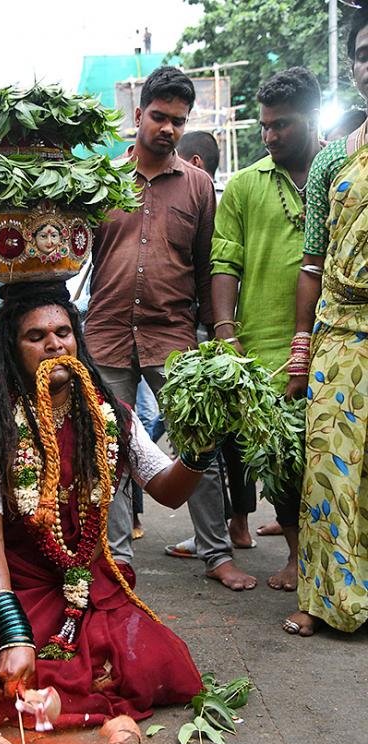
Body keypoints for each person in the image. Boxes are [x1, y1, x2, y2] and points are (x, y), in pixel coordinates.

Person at [0, 284, 212, 727]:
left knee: (163, 671)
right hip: (14, 586)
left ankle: (50, 698)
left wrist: (200, 448)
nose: (53, 344)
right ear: (13, 348)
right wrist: (12, 634)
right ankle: (55, 687)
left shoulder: (110, 415)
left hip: (89, 587)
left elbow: (168, 492)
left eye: (63, 332)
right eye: (35, 336)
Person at [86, 65, 255, 591]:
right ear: (138, 115)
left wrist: (217, 340)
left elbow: (208, 269)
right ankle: (114, 561)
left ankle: (216, 554)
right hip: (107, 335)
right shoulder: (102, 182)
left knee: (197, 446)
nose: (168, 129)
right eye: (159, 117)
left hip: (175, 338)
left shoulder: (200, 187)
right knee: (106, 450)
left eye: (179, 121)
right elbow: (80, 259)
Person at [211, 67, 322, 592]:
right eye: (264, 126)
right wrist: (227, 335)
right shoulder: (245, 185)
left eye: (282, 125)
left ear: (313, 117)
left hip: (338, 341)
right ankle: (299, 555)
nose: (270, 136)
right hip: (265, 351)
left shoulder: (342, 172)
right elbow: (223, 263)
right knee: (281, 459)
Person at [283, 9, 368, 636]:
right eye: (362, 53)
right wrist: (301, 348)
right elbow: (311, 265)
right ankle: (325, 600)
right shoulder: (332, 161)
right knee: (328, 469)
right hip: (341, 336)